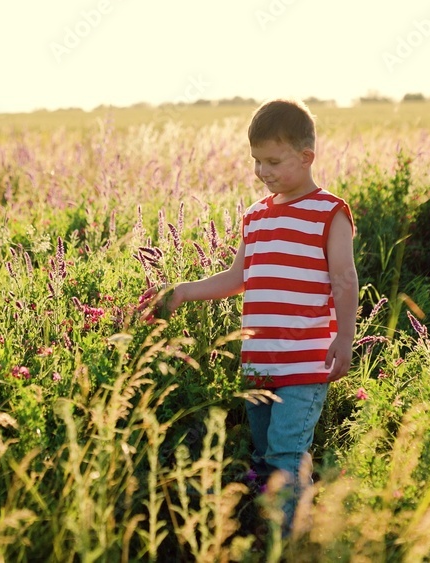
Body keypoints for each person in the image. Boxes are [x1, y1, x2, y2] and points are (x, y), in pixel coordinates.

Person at [139, 98, 358, 534]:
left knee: (284, 453)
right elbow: (239, 277)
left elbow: (344, 281)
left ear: (306, 156)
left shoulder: (329, 213)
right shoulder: (256, 216)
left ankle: (287, 541)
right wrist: (181, 292)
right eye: (257, 161)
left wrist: (345, 338)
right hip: (258, 362)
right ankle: (275, 526)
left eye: (273, 161)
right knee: (262, 454)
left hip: (305, 362)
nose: (263, 171)